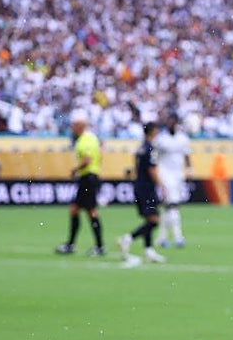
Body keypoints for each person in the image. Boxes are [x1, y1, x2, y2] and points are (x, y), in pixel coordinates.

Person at [54, 110, 106, 256]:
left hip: (88, 177)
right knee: (75, 209)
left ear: (81, 125)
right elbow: (99, 156)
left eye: (74, 125)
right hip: (89, 177)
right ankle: (72, 244)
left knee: (90, 211)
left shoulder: (85, 139)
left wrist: (75, 169)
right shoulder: (91, 138)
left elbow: (87, 159)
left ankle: (98, 246)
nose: (72, 128)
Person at [117, 122, 167, 267]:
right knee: (154, 220)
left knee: (148, 219)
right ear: (153, 131)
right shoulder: (150, 148)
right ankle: (128, 238)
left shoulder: (140, 148)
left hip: (139, 186)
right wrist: (161, 186)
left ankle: (148, 250)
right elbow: (151, 170)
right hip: (147, 188)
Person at [152, 115, 192, 248]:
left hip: (178, 175)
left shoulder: (182, 138)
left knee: (169, 207)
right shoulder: (161, 139)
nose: (171, 124)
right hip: (165, 173)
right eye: (169, 122)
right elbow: (153, 155)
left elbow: (186, 154)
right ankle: (178, 237)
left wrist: (189, 169)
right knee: (172, 204)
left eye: (173, 122)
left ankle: (161, 238)